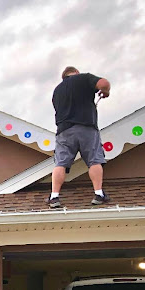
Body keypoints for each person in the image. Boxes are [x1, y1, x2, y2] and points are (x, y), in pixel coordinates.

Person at [47, 66, 111, 208]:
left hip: (64, 131)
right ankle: (98, 193)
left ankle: (54, 196)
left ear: (64, 77)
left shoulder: (57, 91)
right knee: (94, 159)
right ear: (76, 73)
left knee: (61, 163)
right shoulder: (83, 78)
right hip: (86, 127)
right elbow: (104, 83)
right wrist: (105, 91)